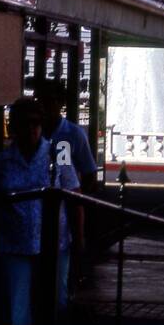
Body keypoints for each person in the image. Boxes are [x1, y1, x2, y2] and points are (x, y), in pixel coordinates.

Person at [0, 98, 80, 325]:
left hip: (54, 243)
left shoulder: (57, 155)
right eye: (24, 124)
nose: (30, 129)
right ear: (13, 127)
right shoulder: (2, 162)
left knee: (58, 301)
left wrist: (80, 239)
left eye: (35, 123)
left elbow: (75, 195)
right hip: (14, 243)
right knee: (19, 306)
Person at [36, 81, 97, 291]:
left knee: (59, 284)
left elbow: (88, 174)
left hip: (63, 218)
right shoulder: (33, 136)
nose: (44, 107)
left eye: (50, 101)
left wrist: (75, 204)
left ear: (60, 103)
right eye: (41, 101)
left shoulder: (72, 135)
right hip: (33, 223)